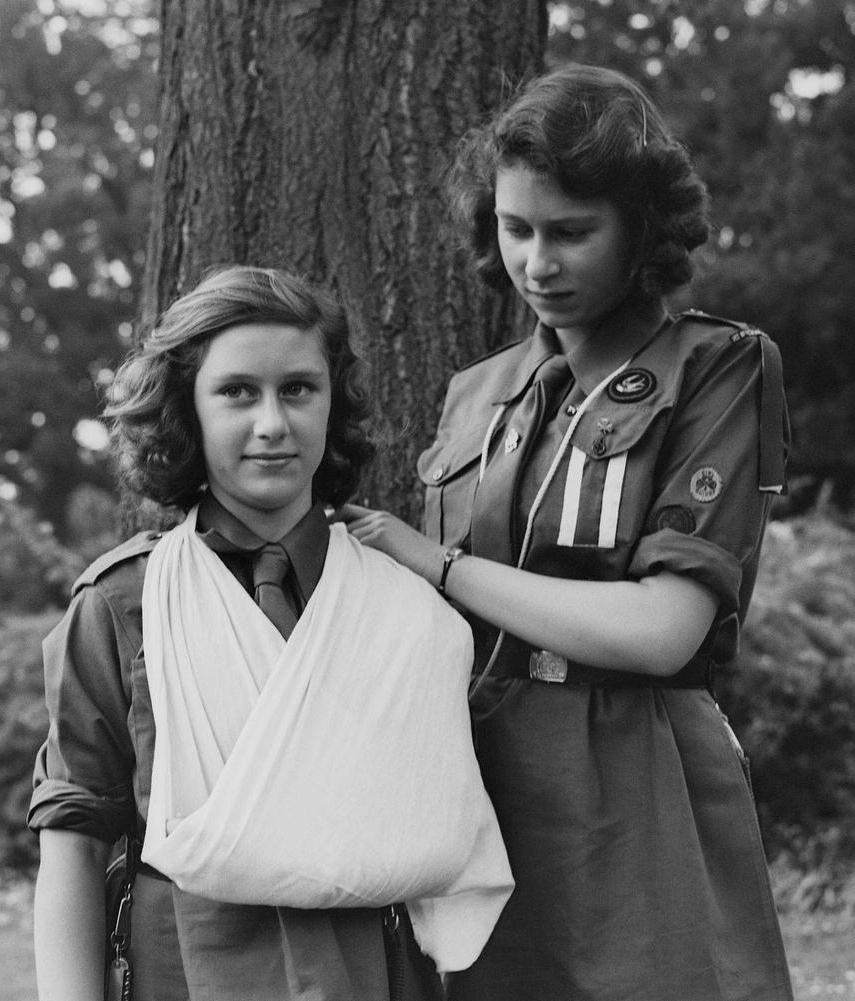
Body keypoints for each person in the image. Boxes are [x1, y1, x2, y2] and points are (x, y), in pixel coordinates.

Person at [340, 64, 795, 1000]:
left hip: (631, 777)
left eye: (572, 232)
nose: (537, 264)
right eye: (517, 229)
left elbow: (662, 630)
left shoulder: (717, 368)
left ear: (641, 230)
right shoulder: (477, 393)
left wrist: (438, 565)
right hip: (475, 779)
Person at [28, 265, 510, 1001]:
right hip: (186, 971)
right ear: (186, 410)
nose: (273, 424)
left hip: (371, 970)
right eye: (237, 392)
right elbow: (74, 839)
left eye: (298, 389)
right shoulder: (124, 603)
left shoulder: (404, 604)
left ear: (332, 402)